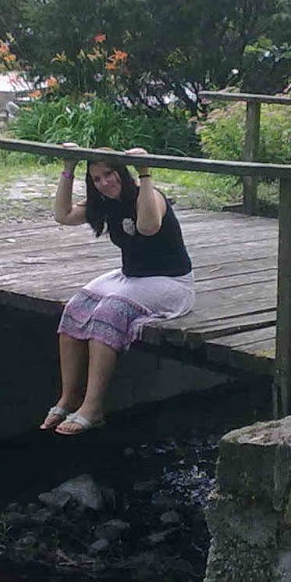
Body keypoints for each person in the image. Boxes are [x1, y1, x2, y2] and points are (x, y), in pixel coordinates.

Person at [41, 145, 194, 436]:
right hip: (132, 278)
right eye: (97, 179)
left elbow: (148, 227)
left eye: (109, 174)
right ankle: (69, 397)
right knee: (76, 307)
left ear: (121, 172)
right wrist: (68, 168)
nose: (105, 182)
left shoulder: (149, 195)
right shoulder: (103, 202)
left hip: (171, 282)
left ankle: (93, 406)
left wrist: (145, 172)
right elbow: (63, 215)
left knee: (109, 311)